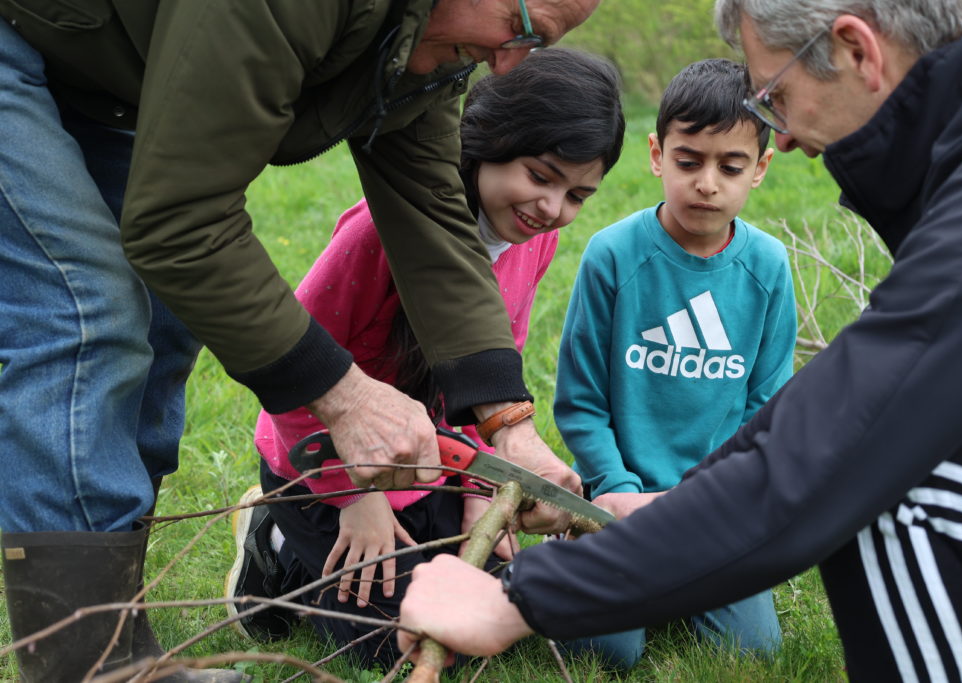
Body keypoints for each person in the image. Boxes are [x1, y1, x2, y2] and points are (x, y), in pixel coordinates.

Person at [398, 1, 962, 681]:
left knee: (888, 481)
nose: (778, 137)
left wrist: (520, 600)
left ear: (856, 50)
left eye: (775, 96)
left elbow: (835, 443)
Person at [0, 0, 599, 680]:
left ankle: (112, 629)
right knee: (90, 316)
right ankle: (85, 667)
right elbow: (181, 223)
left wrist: (509, 429)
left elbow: (432, 212)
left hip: (101, 74)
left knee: (163, 315)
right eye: (522, 31)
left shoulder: (423, 43)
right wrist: (343, 397)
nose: (510, 62)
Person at [224, 47, 625, 667]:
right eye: (541, 176)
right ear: (487, 140)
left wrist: (484, 482)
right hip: (323, 462)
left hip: (431, 459)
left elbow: (494, 370)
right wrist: (355, 500)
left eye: (577, 196)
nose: (552, 209)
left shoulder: (532, 243)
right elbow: (294, 374)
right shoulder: (375, 235)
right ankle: (275, 541)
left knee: (485, 612)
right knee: (394, 646)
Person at [553, 58, 795, 670]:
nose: (707, 183)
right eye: (689, 162)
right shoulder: (612, 256)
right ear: (658, 154)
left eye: (730, 166)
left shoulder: (768, 268)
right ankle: (570, 555)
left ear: (760, 169)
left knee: (753, 653)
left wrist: (710, 501)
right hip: (613, 505)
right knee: (608, 654)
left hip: (710, 508)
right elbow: (581, 402)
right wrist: (615, 491)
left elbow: (766, 410)